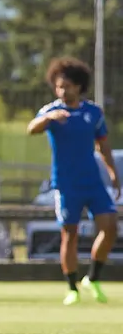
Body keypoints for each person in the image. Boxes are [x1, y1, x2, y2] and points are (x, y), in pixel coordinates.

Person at [27, 56, 119, 305]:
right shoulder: (51, 111)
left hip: (92, 181)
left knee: (110, 226)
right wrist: (48, 119)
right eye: (58, 86)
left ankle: (93, 276)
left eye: (66, 86)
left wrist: (112, 172)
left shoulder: (93, 112)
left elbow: (104, 145)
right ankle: (72, 288)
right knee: (70, 233)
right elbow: (31, 128)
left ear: (78, 86)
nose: (62, 90)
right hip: (66, 184)